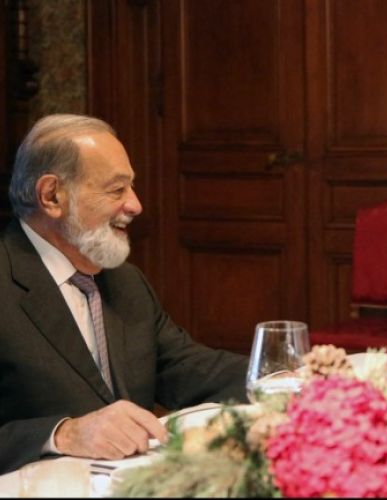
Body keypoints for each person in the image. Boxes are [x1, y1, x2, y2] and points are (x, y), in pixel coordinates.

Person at [0, 114, 250, 474]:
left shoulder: (125, 282)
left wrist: (294, 376)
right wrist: (63, 434)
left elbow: (185, 367)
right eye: (116, 189)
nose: (135, 205)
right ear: (52, 196)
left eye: (131, 188)